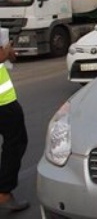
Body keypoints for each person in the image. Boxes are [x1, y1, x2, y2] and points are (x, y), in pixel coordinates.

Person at [0, 41, 30, 211]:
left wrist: (9, 52)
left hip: (6, 103)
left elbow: (10, 59)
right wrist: (5, 53)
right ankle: (4, 193)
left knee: (14, 144)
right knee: (15, 144)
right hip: (3, 105)